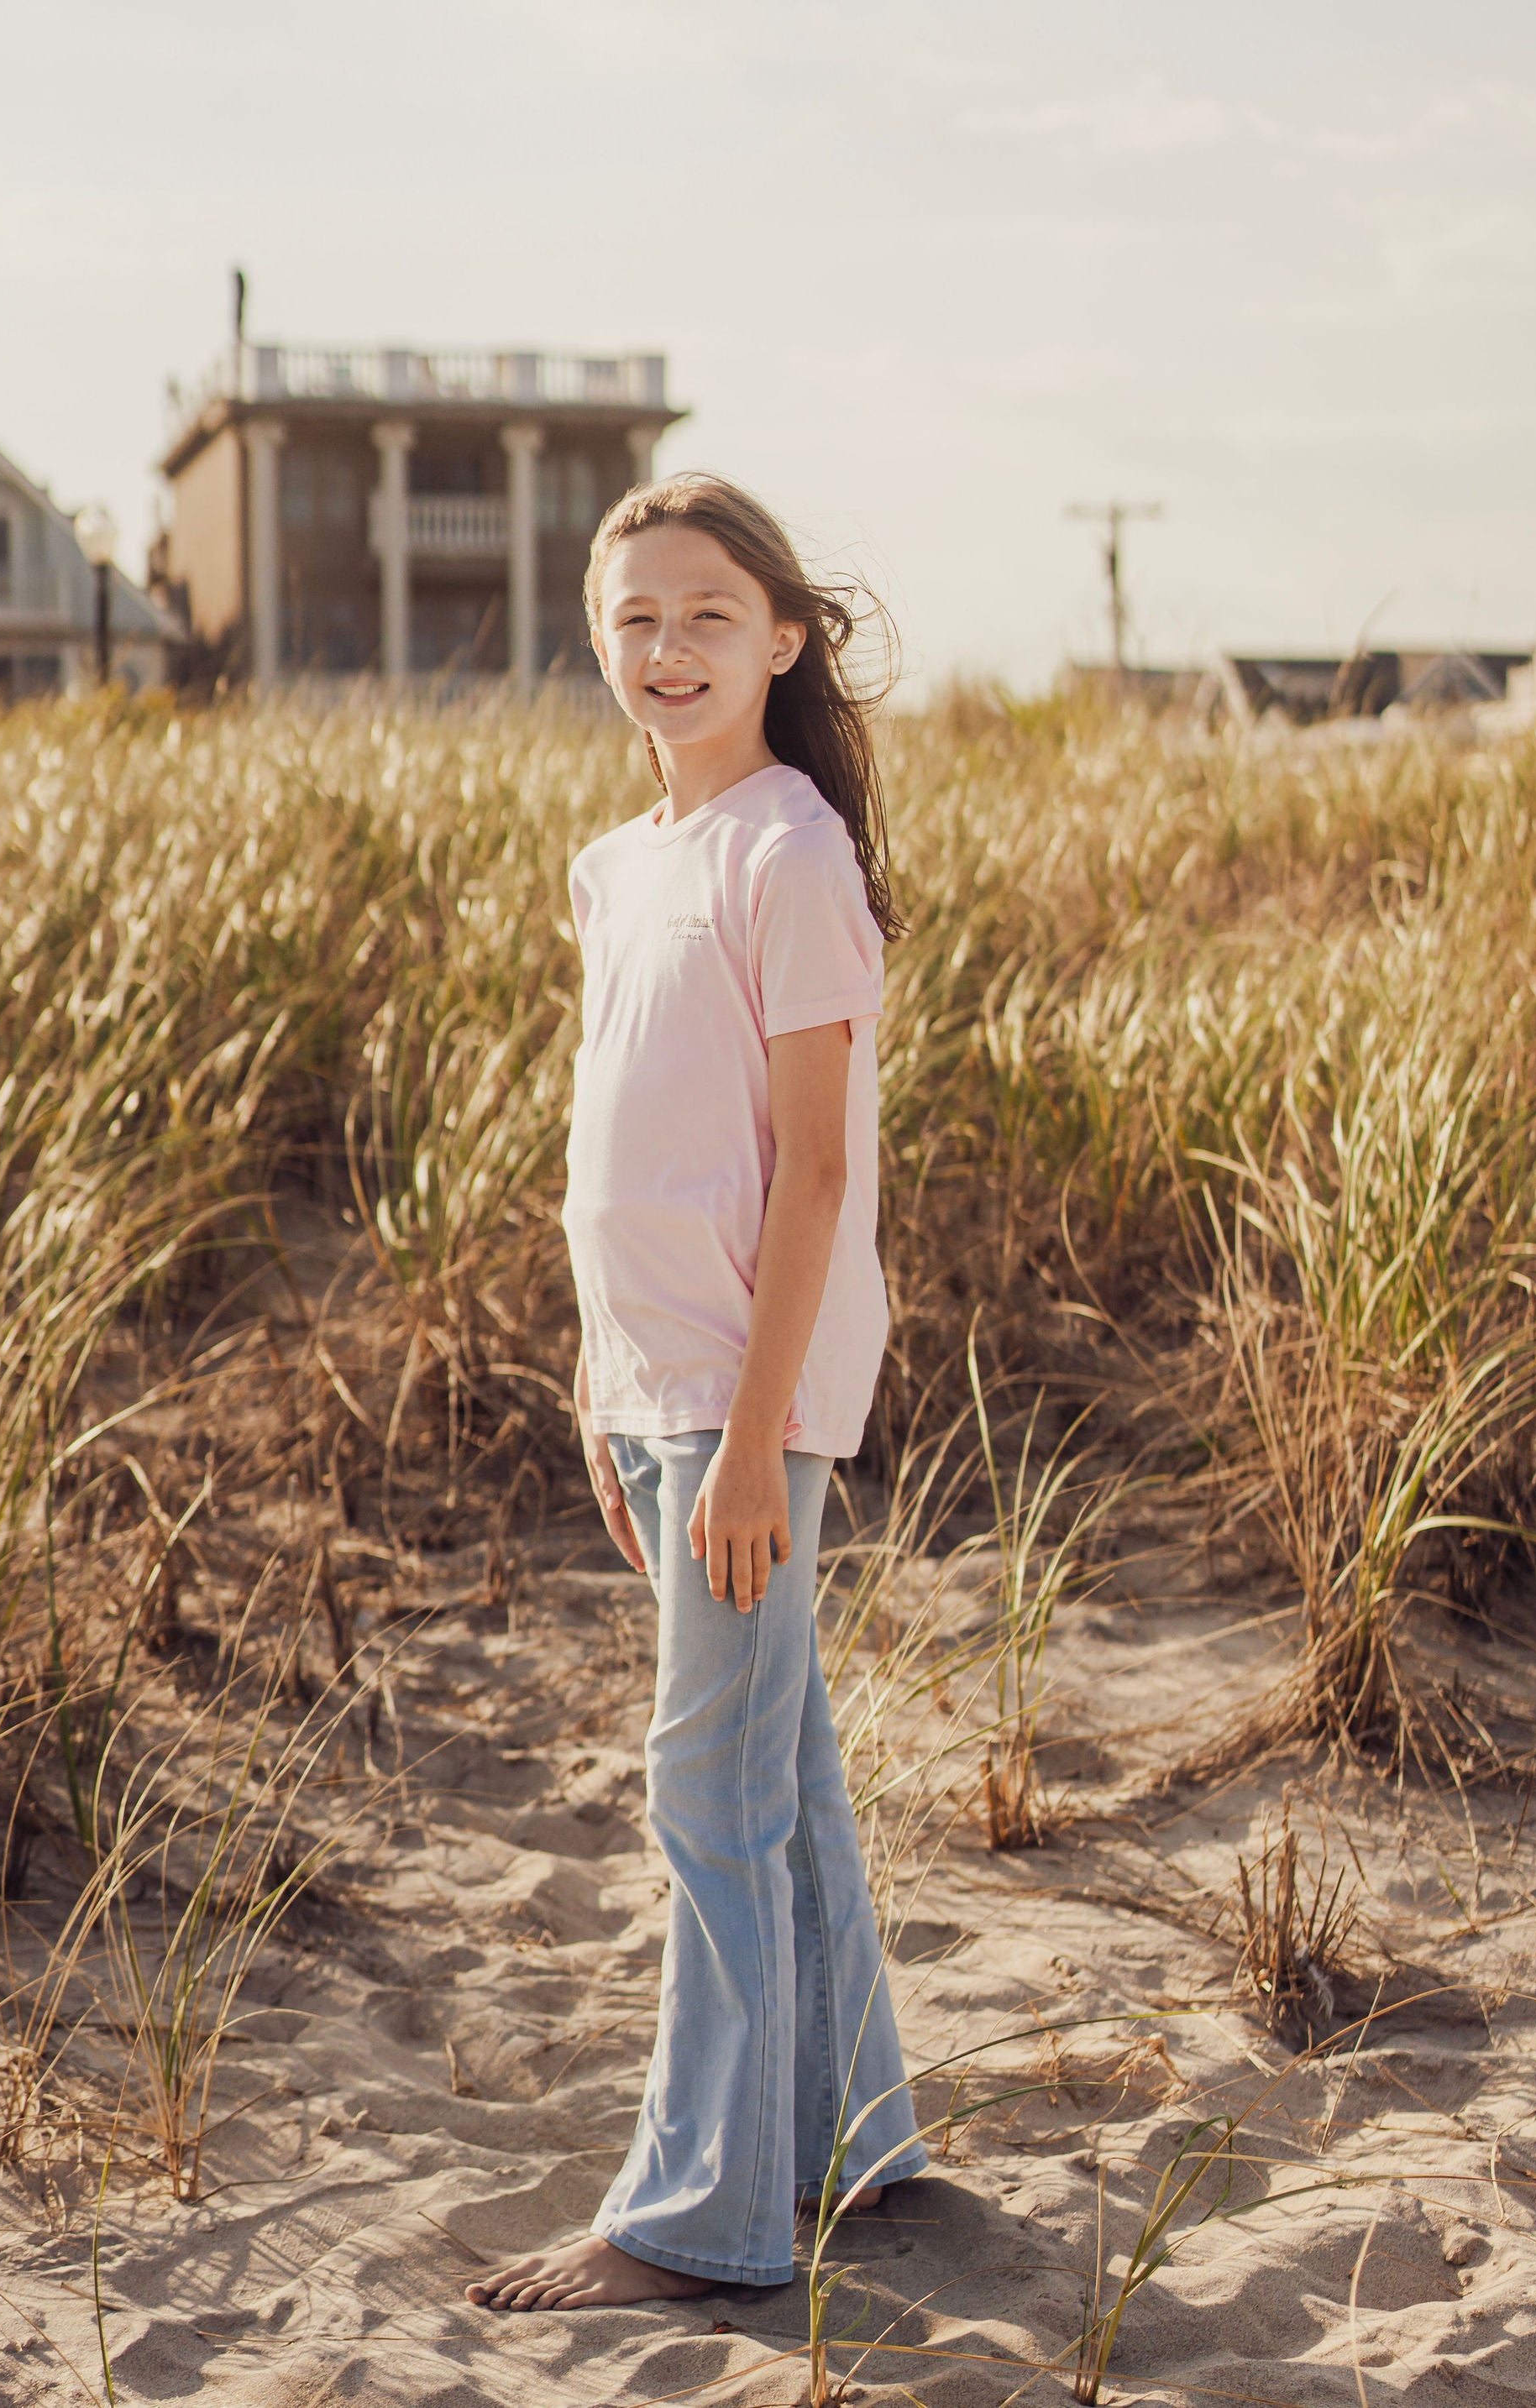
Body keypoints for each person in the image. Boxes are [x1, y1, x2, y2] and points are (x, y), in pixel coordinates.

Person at [468, 474, 925, 2314]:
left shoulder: (787, 855)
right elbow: (625, 1148)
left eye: (710, 615)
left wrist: (746, 1440)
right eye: (637, 619)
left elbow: (811, 1175)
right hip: (655, 1387)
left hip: (751, 1401)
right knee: (779, 1770)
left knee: (706, 1795)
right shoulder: (618, 864)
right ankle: (853, 2141)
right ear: (599, 639)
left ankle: (699, 2221)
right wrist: (605, 1386)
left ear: (783, 639)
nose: (670, 649)